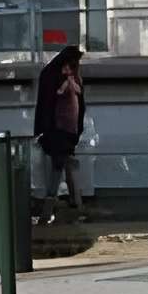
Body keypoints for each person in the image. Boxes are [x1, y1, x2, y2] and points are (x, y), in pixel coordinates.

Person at [32, 45, 87, 217]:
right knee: (60, 165)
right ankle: (58, 205)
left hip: (62, 130)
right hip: (61, 130)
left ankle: (66, 204)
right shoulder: (56, 77)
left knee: (63, 164)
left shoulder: (54, 75)